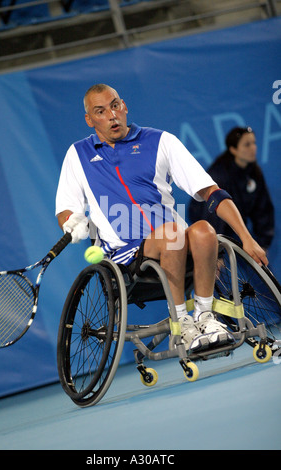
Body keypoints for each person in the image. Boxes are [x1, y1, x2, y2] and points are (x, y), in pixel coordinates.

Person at [55, 84, 268, 353]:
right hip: (124, 254)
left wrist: (247, 239)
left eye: (115, 105)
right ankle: (182, 325)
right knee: (173, 234)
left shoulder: (160, 141)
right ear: (89, 119)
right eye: (101, 111)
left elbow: (211, 192)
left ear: (124, 106)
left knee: (203, 230)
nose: (112, 115)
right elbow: (66, 208)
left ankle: (205, 317)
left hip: (173, 239)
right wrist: (73, 224)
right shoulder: (78, 155)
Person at [188, 127, 275, 252]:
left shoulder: (255, 174)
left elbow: (263, 210)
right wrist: (217, 251)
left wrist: (263, 244)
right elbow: (211, 216)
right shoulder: (219, 175)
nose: (253, 148)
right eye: (247, 145)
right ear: (233, 150)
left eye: (254, 143)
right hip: (213, 233)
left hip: (237, 233)